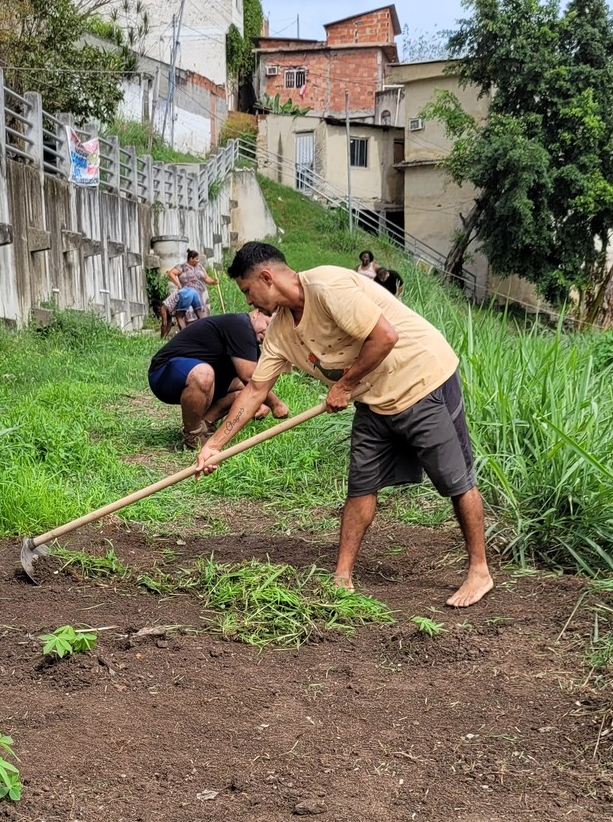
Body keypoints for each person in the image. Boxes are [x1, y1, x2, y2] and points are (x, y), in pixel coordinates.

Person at [195, 242, 494, 609]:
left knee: (455, 480)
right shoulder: (280, 332)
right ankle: (342, 576)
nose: (249, 302)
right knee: (361, 484)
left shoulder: (328, 287)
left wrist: (345, 385)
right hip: (372, 397)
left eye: (247, 291)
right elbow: (256, 389)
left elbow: (385, 337)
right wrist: (215, 446)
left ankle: (479, 570)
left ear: (266, 277)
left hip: (422, 378)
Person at [149, 310, 290, 449]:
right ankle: (192, 434)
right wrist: (275, 404)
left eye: (273, 332)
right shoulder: (240, 324)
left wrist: (259, 401)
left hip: (197, 376)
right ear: (258, 313)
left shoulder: (250, 342)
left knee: (243, 388)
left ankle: (205, 422)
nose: (268, 333)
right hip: (163, 373)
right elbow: (248, 375)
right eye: (268, 324)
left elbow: (252, 385)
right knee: (204, 373)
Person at [168, 249, 218, 318]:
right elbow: (171, 273)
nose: (198, 260)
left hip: (201, 296)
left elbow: (206, 278)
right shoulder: (182, 267)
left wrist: (213, 282)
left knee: (203, 317)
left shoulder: (200, 267)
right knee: (190, 316)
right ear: (191, 259)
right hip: (188, 295)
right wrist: (179, 285)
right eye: (197, 259)